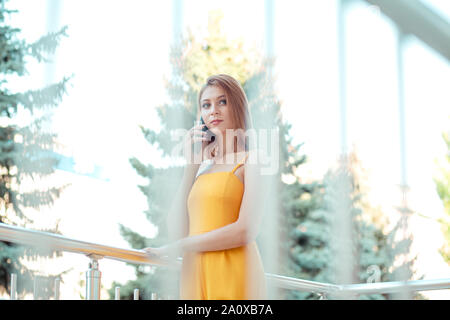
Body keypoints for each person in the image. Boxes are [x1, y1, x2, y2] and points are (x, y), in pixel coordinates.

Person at [143, 74, 268, 300]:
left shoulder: (252, 159)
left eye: (222, 101)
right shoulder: (201, 165)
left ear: (237, 106)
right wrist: (191, 166)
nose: (213, 111)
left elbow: (246, 229)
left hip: (235, 273)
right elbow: (176, 230)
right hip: (195, 274)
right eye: (206, 105)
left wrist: (180, 246)